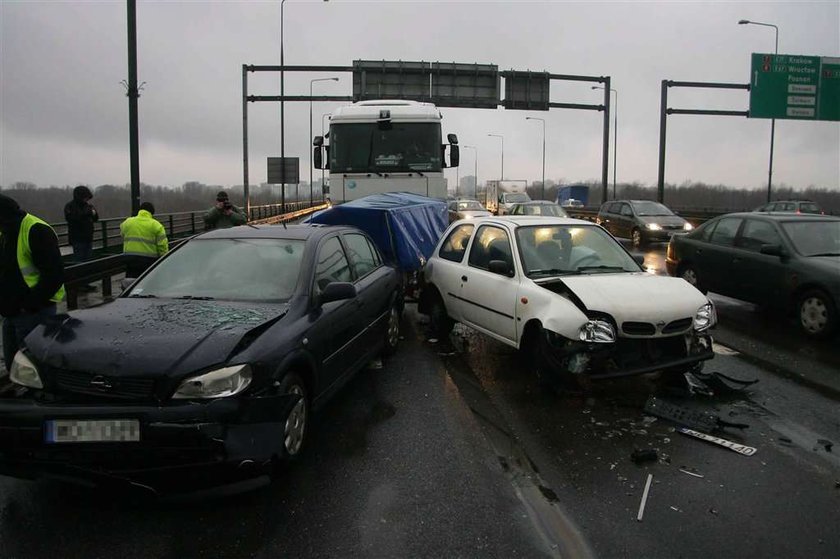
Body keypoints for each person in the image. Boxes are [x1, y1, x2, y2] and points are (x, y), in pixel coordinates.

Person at [0, 194, 65, 374]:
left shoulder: (36, 230)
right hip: (10, 311)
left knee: (34, 365)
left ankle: (36, 397)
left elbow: (54, 275)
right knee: (15, 363)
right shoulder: (5, 231)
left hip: (34, 311)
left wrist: (28, 304)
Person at [120, 202, 169, 278]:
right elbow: (162, 246)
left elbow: (122, 234)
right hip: (149, 261)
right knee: (147, 281)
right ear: (151, 213)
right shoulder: (156, 225)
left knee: (131, 282)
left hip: (130, 258)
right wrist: (164, 259)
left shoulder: (127, 222)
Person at [64, 185, 98, 291]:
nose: (86, 200)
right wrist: (88, 214)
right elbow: (73, 219)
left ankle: (85, 282)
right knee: (79, 261)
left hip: (88, 237)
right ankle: (78, 284)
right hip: (77, 238)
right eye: (85, 197)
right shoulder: (70, 206)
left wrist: (93, 214)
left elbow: (96, 218)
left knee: (87, 261)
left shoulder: (88, 206)